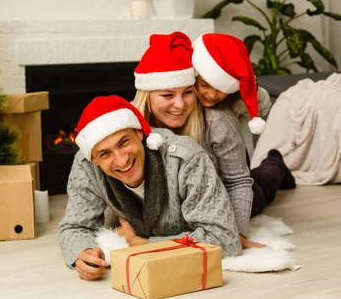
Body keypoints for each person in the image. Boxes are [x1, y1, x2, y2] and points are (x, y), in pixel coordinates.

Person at [131, 32, 293, 249]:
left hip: (225, 186)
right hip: (185, 206)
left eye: (187, 92)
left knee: (262, 184)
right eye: (168, 95)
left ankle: (276, 163)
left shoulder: (216, 119)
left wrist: (237, 233)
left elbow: (238, 181)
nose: (179, 105)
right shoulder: (133, 127)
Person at [58, 95, 242, 281]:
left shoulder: (186, 158)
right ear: (94, 160)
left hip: (219, 188)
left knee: (261, 190)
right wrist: (84, 253)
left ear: (139, 133)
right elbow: (74, 227)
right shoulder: (85, 165)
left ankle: (272, 162)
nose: (122, 160)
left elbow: (225, 241)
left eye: (124, 142)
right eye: (105, 154)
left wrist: (146, 245)